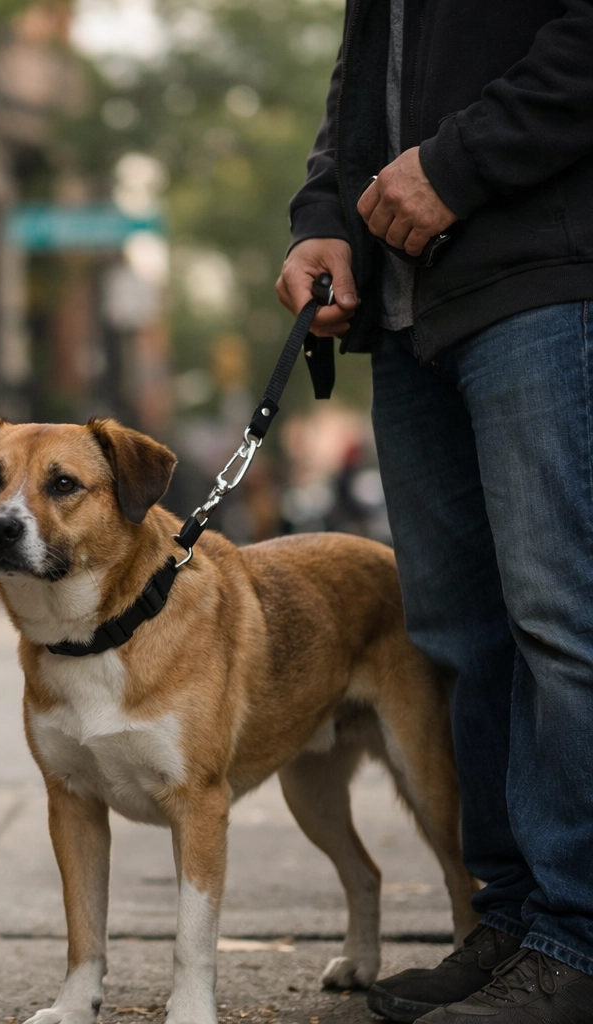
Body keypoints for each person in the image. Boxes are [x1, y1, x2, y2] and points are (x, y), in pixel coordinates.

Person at [276, 4, 593, 1023]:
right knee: (460, 630)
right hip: (411, 310)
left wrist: (457, 165)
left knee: (564, 623)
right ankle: (508, 918)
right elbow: (368, 72)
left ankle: (578, 937)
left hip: (546, 273)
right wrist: (322, 209)